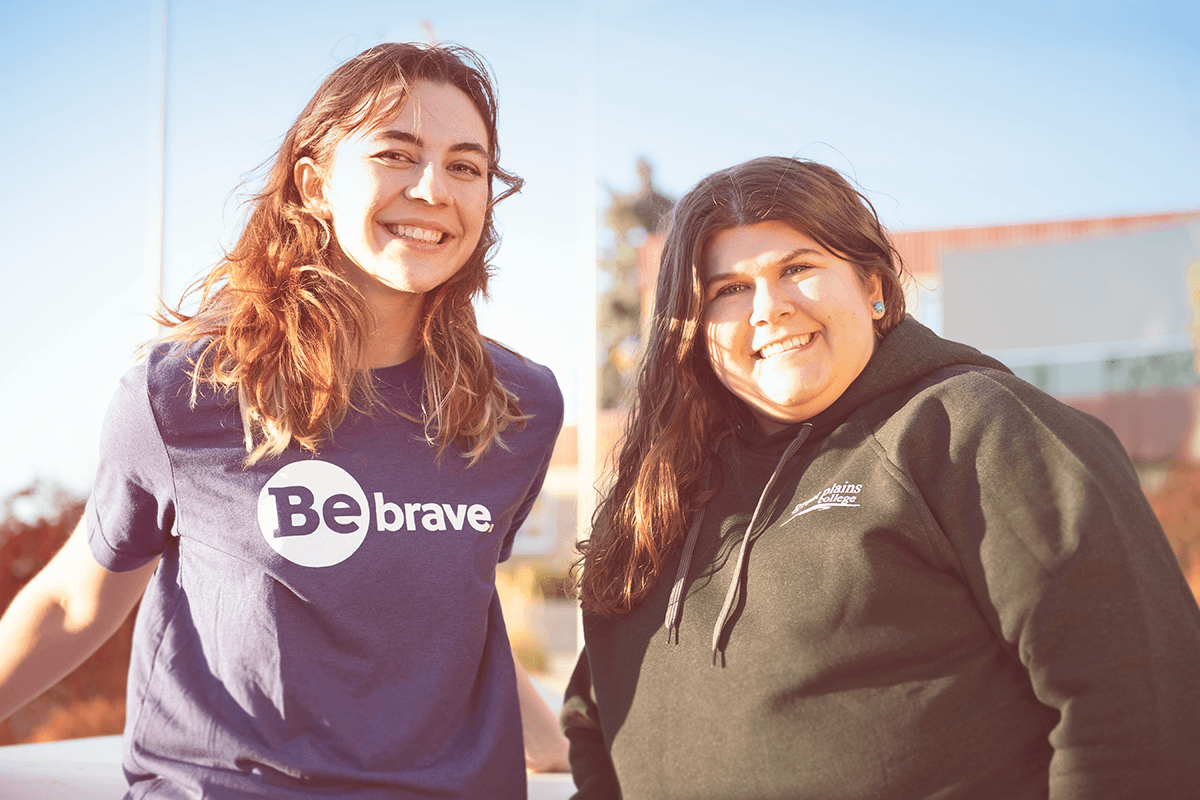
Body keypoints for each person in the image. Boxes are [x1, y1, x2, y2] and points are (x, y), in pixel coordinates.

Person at [0, 42, 569, 798]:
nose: (433, 188)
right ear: (314, 183)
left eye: (465, 166)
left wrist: (561, 750)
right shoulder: (185, 394)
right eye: (397, 154)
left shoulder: (520, 407)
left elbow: (451, 603)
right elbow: (75, 602)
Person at [563, 156, 1200, 799]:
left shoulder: (974, 429)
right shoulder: (662, 489)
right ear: (694, 327)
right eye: (728, 289)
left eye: (798, 269)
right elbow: (592, 724)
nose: (769, 308)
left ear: (872, 283)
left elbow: (1143, 701)